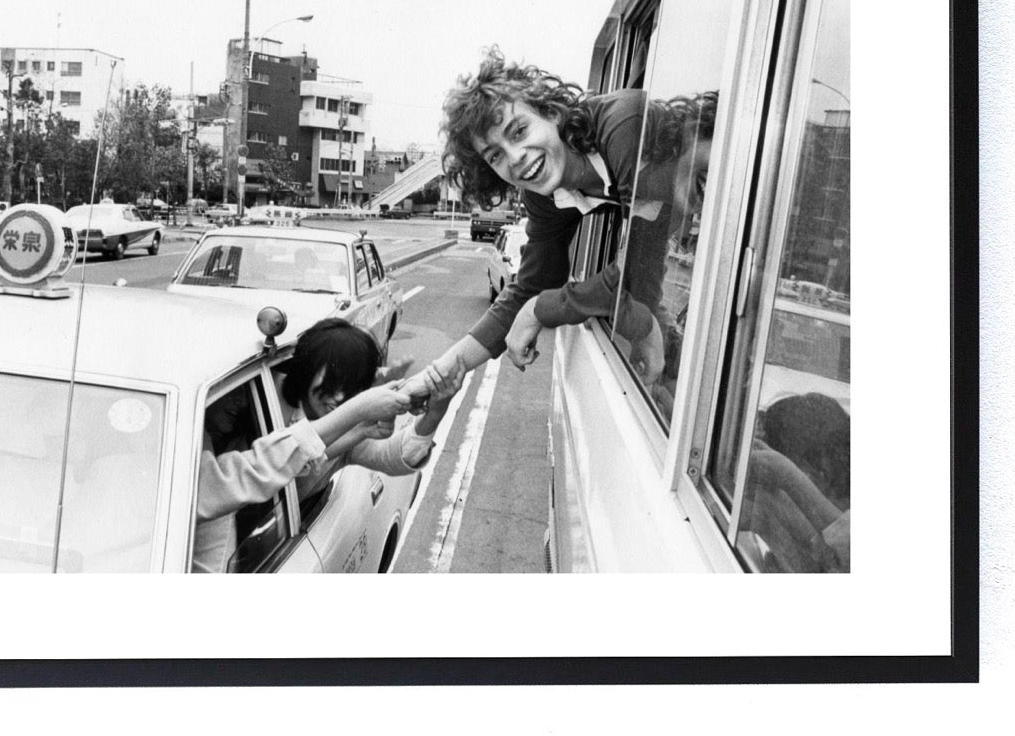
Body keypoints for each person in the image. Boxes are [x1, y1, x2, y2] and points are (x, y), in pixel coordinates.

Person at [405, 49, 715, 411]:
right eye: (496, 155)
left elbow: (629, 275)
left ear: (552, 113)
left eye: (519, 131)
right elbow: (531, 286)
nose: (516, 156)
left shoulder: (623, 124)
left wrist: (543, 309)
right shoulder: (547, 197)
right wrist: (442, 372)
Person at [193, 318, 443, 573]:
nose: (339, 396)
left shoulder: (350, 426)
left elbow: (394, 455)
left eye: (350, 388)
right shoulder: (255, 392)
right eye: (331, 383)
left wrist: (434, 414)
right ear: (306, 370)